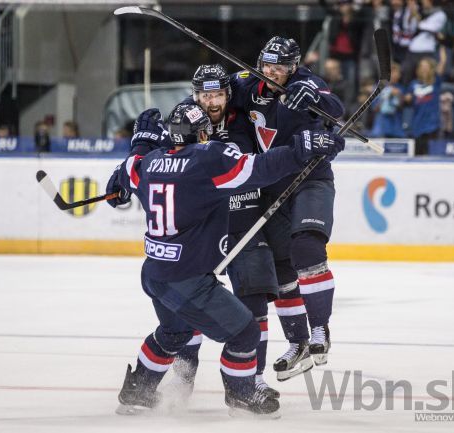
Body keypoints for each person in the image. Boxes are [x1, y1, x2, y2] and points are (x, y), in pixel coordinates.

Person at [106, 103, 344, 416]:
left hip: (155, 273)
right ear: (202, 133)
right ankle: (241, 395)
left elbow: (124, 175)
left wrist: (140, 142)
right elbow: (261, 168)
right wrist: (304, 149)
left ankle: (138, 390)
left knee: (174, 332)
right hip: (188, 278)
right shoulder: (208, 159)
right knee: (245, 332)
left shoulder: (148, 162)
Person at [229, 36, 344, 381]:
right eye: (267, 64)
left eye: (280, 67)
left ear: (293, 66)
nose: (272, 71)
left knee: (307, 248)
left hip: (310, 179)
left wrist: (314, 99)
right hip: (271, 185)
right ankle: (299, 343)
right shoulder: (247, 85)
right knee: (281, 272)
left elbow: (335, 108)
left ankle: (320, 329)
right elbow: (214, 100)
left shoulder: (305, 83)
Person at [171, 64, 280, 400]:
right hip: (200, 232)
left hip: (244, 225)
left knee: (255, 306)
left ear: (227, 95)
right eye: (205, 94)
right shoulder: (180, 125)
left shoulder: (247, 120)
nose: (212, 101)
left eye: (218, 94)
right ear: (195, 95)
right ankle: (182, 377)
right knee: (190, 306)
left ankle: (253, 381)